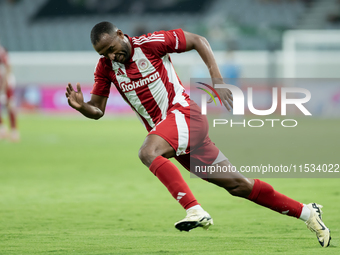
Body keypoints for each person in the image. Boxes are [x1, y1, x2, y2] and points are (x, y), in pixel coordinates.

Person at [65, 21, 331, 247]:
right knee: (239, 185)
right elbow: (97, 110)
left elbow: (198, 40)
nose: (111, 56)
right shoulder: (106, 68)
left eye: (111, 49)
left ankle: (194, 210)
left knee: (148, 152)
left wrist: (216, 79)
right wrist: (82, 108)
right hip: (173, 132)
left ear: (121, 35)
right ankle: (308, 213)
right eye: (103, 53)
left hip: (184, 115)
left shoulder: (151, 44)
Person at [0, 44, 19, 142]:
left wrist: (4, 86)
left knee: (10, 105)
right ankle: (3, 129)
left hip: (6, 83)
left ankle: (14, 131)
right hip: (3, 81)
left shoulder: (1, 51)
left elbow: (7, 67)